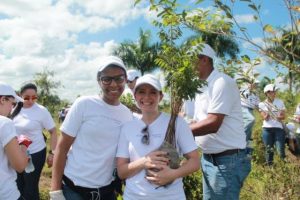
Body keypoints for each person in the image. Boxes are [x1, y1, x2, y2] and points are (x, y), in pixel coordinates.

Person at [50, 56, 133, 200]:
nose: (113, 84)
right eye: (107, 79)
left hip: (107, 191)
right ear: (99, 81)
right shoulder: (84, 104)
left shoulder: (127, 114)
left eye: (119, 78)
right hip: (74, 190)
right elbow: (62, 148)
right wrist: (55, 191)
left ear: (126, 79)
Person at [116, 74, 200, 200]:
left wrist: (173, 174)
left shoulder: (176, 122)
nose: (147, 97)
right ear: (135, 96)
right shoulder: (127, 128)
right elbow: (121, 172)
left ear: (160, 96)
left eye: (153, 92)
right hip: (134, 196)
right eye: (141, 92)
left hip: (171, 196)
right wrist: (144, 161)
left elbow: (195, 161)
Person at [189, 44, 251, 200]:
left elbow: (213, 123)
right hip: (209, 158)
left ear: (204, 60)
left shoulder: (221, 82)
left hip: (227, 161)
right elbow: (198, 120)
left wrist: (180, 130)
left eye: (190, 60)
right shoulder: (201, 86)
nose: (186, 65)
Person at [11, 82, 58, 200]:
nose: (31, 100)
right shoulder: (14, 108)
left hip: (35, 154)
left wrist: (52, 153)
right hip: (16, 153)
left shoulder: (41, 111)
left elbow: (53, 132)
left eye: (34, 97)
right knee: (17, 184)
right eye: (26, 97)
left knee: (30, 188)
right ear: (20, 96)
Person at [0, 82, 31, 200]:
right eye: (12, 104)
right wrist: (23, 145)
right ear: (3, 99)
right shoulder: (4, 122)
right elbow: (20, 166)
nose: (12, 108)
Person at [258, 84, 286, 165]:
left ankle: (284, 168)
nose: (274, 93)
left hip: (279, 129)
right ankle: (270, 168)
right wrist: (269, 112)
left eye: (275, 92)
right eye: (272, 92)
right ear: (267, 93)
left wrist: (278, 117)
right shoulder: (262, 104)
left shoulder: (280, 102)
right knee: (269, 150)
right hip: (267, 130)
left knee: (280, 150)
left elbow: (283, 116)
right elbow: (265, 118)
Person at [240, 80, 260, 149]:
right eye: (254, 83)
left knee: (249, 129)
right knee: (251, 119)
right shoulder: (243, 89)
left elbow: (258, 104)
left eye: (256, 84)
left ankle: (247, 145)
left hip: (251, 110)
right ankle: (240, 138)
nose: (255, 85)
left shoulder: (256, 93)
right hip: (243, 108)